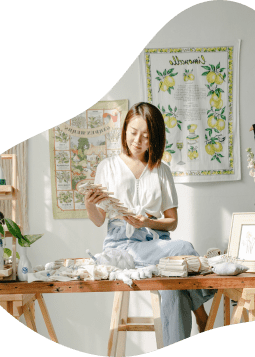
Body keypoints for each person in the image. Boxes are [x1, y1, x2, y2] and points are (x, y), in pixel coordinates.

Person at [85, 102, 214, 347]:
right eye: (133, 132)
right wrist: (90, 204)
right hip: (123, 247)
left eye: (146, 136)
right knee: (185, 248)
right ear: (124, 130)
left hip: (157, 245)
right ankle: (202, 315)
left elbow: (172, 222)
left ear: (155, 138)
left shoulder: (161, 170)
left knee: (174, 289)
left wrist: (147, 222)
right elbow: (99, 220)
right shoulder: (108, 167)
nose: (138, 140)